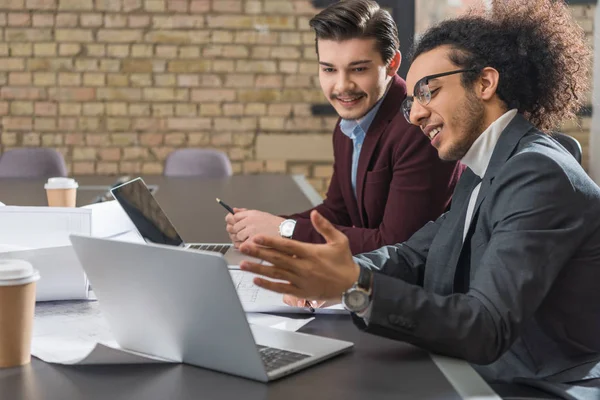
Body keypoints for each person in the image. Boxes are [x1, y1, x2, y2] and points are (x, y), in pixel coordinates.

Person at [238, 0, 600, 397]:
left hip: (536, 385)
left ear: (484, 83)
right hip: (482, 370)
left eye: (429, 91)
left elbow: (485, 326)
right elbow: (413, 255)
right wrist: (334, 273)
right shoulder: (488, 164)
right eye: (412, 100)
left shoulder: (536, 174)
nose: (415, 115)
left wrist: (357, 287)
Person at [225, 0, 462, 255]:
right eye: (329, 69)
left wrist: (285, 229)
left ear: (392, 64)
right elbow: (337, 212)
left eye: (358, 69)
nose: (341, 86)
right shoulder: (348, 124)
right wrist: (262, 228)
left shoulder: (418, 127)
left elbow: (396, 244)